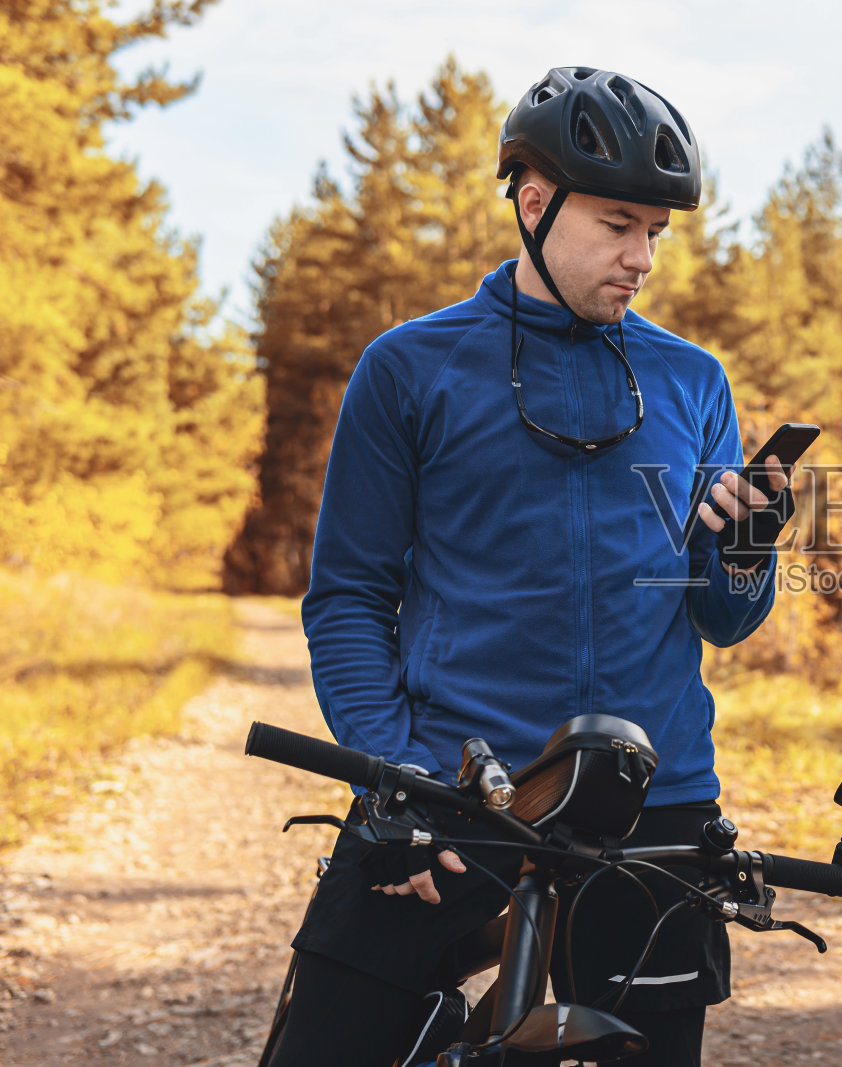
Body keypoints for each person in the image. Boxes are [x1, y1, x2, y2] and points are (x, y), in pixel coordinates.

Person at [266, 66, 792, 1067]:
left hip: (655, 798)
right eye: (618, 224)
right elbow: (346, 596)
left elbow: (722, 616)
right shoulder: (411, 367)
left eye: (656, 233)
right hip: (461, 796)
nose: (641, 257)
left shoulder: (692, 380)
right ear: (534, 201)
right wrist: (400, 781)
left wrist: (748, 547)